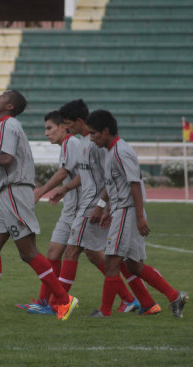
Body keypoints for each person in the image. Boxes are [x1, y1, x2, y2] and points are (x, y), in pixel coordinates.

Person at [0, 90, 78, 321]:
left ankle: (64, 299)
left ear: (10, 106)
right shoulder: (4, 125)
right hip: (4, 193)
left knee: (27, 251)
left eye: (2, 95)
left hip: (15, 191)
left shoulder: (8, 125)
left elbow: (6, 159)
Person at [85, 109, 189, 318]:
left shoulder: (121, 152)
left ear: (106, 131)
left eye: (94, 133)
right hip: (121, 210)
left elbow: (134, 184)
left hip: (128, 211)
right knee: (133, 265)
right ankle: (174, 295)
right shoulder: (111, 151)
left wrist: (139, 216)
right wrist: (106, 208)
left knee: (112, 261)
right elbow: (115, 184)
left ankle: (105, 312)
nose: (92, 138)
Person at [48, 99, 141, 313]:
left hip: (93, 204)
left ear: (79, 121)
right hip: (89, 202)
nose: (66, 128)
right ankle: (131, 298)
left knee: (71, 251)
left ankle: (59, 303)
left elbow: (107, 176)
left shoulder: (97, 144)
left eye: (68, 124)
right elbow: (87, 174)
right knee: (96, 254)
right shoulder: (84, 142)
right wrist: (67, 188)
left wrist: (101, 205)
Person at [14, 110, 81, 314]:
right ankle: (44, 302)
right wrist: (62, 192)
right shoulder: (67, 145)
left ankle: (130, 298)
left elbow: (65, 172)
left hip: (81, 210)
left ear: (63, 127)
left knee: (101, 258)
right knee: (53, 253)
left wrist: (41, 191)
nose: (46, 133)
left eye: (49, 128)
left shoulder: (72, 144)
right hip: (70, 208)